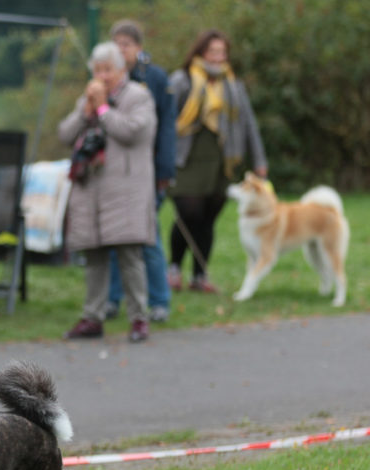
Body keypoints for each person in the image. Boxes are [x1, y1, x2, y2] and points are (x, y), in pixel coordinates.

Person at [58, 42, 157, 343]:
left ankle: (139, 318)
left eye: (108, 70)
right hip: (92, 190)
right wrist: (85, 111)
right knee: (94, 255)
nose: (102, 76)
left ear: (121, 70)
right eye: (97, 70)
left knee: (130, 255)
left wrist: (102, 110)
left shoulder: (139, 97)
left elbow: (131, 131)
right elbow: (65, 134)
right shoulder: (88, 99)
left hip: (125, 190)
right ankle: (92, 318)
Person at [167, 28, 267, 293]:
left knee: (208, 217)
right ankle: (174, 268)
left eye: (222, 52)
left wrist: (259, 160)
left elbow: (248, 124)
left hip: (221, 160)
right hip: (187, 158)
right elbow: (165, 118)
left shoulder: (232, 84)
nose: (218, 57)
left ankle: (200, 276)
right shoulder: (182, 80)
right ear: (200, 52)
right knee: (189, 213)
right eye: (213, 51)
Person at [104, 20, 175, 323]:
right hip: (112, 174)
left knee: (148, 240)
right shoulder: (105, 77)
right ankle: (112, 299)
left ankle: (159, 301)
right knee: (113, 240)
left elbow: (166, 129)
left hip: (146, 173)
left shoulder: (155, 79)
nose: (122, 50)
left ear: (139, 47)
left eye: (127, 44)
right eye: (117, 43)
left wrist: (165, 169)